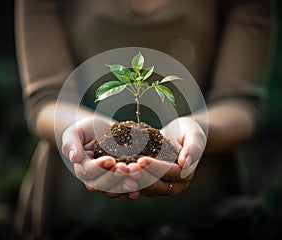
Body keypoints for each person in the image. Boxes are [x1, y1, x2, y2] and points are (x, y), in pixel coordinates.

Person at [14, 0, 273, 238]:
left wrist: (196, 128)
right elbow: (46, 99)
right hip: (73, 212)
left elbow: (241, 102)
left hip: (205, 211)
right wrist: (85, 131)